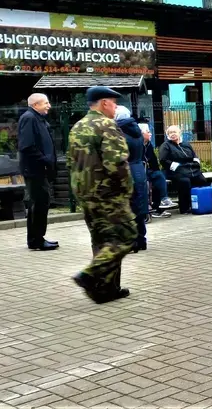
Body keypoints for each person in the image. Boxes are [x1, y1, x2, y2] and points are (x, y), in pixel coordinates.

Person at [68, 86, 136, 304]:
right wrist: (127, 188)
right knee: (126, 235)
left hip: (85, 192)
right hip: (109, 193)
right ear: (105, 103)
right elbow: (116, 162)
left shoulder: (77, 127)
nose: (115, 107)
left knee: (101, 240)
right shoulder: (107, 125)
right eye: (114, 103)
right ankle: (90, 275)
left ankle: (104, 290)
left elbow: (71, 161)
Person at [18, 93, 58, 251]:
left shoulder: (37, 118)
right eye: (45, 103)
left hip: (39, 169)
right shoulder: (29, 118)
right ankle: (36, 240)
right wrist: (45, 160)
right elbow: (27, 146)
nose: (49, 106)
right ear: (35, 105)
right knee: (39, 202)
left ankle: (37, 238)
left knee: (41, 202)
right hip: (34, 169)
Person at [114, 107, 148, 252]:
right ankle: (142, 239)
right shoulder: (138, 131)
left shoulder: (118, 133)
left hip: (126, 171)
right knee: (139, 205)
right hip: (139, 169)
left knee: (127, 207)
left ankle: (131, 241)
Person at [158, 125, 208, 213]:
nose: (173, 134)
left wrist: (196, 163)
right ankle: (184, 207)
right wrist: (177, 166)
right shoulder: (166, 145)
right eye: (170, 132)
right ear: (167, 134)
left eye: (175, 132)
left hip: (190, 169)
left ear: (179, 133)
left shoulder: (186, 144)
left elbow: (194, 156)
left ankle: (200, 204)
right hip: (174, 171)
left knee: (201, 180)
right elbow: (163, 160)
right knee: (185, 181)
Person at [141, 124, 174, 218]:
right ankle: (152, 207)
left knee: (159, 176)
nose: (150, 134)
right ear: (141, 134)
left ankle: (163, 200)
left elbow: (154, 162)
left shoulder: (149, 145)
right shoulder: (138, 145)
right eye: (148, 132)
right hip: (141, 171)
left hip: (150, 170)